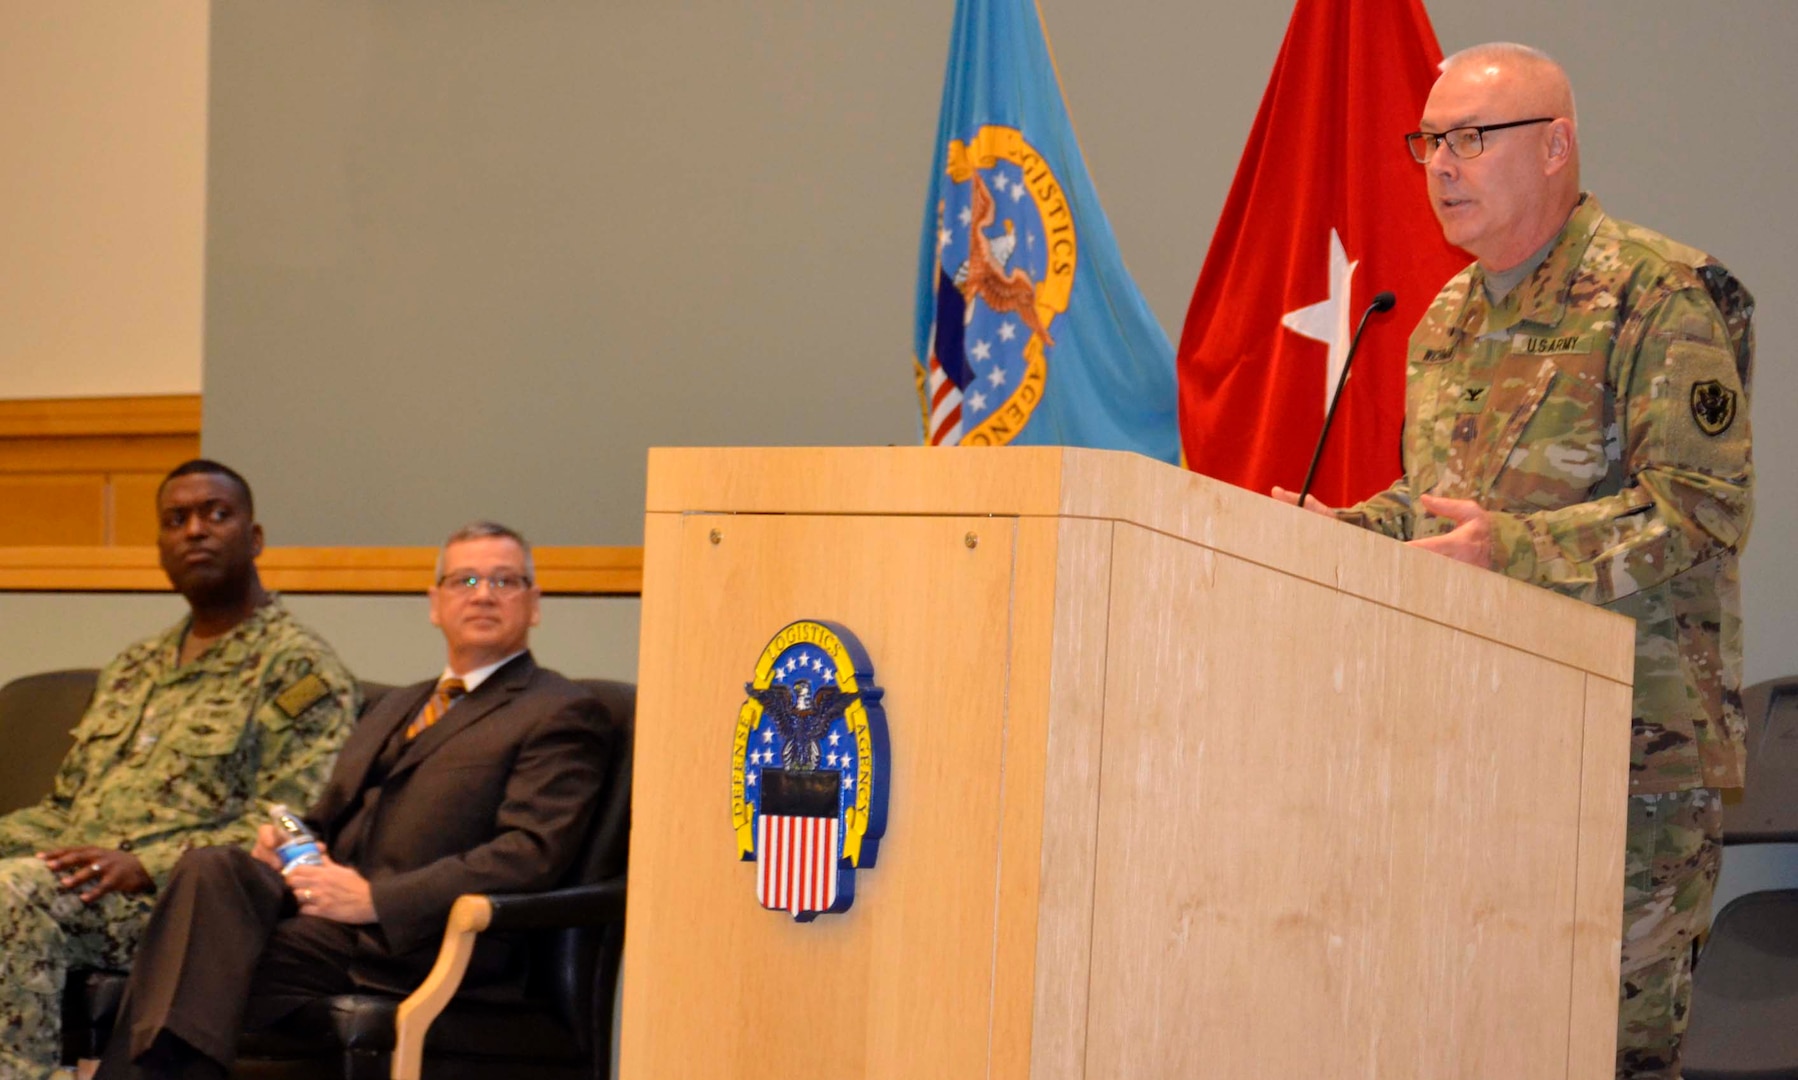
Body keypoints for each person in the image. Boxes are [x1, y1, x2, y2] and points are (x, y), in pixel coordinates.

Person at [1276, 43, 1753, 1079]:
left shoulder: (1656, 294)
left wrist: (1516, 550)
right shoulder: (1443, 321)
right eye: (1428, 142)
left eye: (1468, 139)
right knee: (1478, 1040)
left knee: (1608, 1055)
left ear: (1555, 147)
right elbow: (1435, 506)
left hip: (1634, 758)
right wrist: (1328, 533)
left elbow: (1703, 510)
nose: (1440, 165)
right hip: (1476, 751)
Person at [95, 521, 611, 1080]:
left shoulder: (558, 711)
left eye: (505, 581)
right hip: (324, 922)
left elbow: (530, 854)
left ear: (534, 605)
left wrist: (375, 900)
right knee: (210, 869)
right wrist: (284, 838)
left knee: (191, 964)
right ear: (435, 604)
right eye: (464, 580)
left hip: (420, 940)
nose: (483, 594)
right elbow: (323, 818)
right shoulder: (396, 704)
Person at [0, 460, 360, 1080]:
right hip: (78, 882)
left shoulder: (298, 671)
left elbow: (289, 825)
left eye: (216, 514)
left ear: (254, 539)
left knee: (12, 894)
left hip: (177, 914)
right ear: (161, 546)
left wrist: (147, 865)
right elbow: (65, 809)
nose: (196, 530)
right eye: (177, 519)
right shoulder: (135, 666)